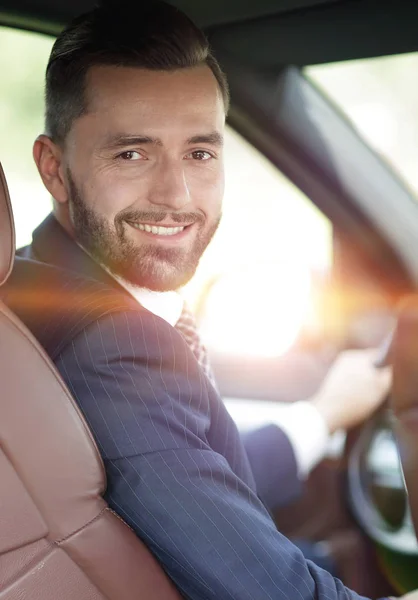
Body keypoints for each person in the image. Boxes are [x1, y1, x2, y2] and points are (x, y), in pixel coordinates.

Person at [8, 2, 407, 598]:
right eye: (132, 153)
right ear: (54, 168)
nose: (177, 195)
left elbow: (181, 469)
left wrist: (319, 416)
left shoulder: (30, 287)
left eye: (200, 152)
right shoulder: (115, 343)